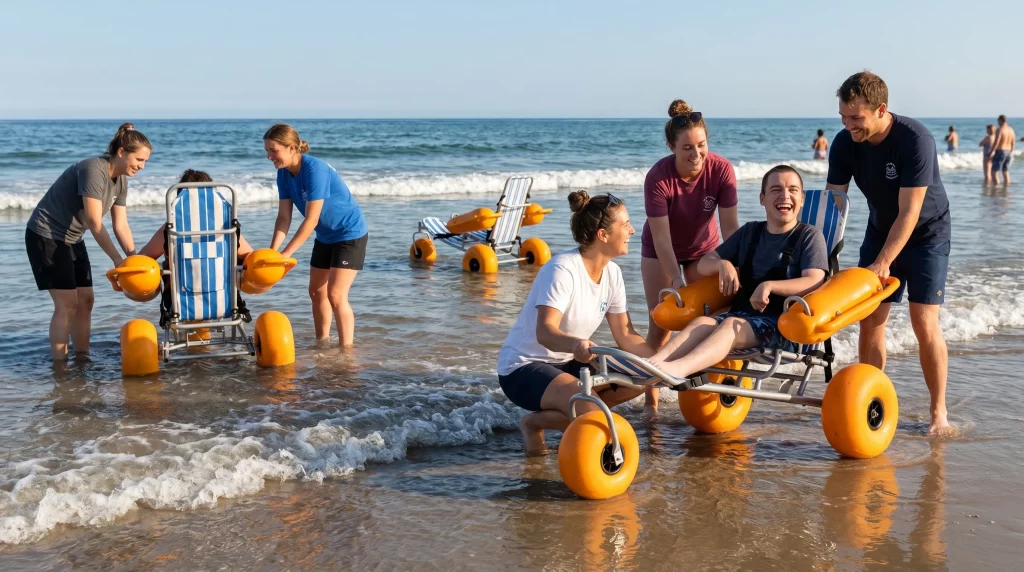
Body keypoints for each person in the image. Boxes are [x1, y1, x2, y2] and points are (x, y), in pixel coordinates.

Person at [824, 71, 954, 435]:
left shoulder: (915, 140)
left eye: (856, 118)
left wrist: (883, 262)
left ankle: (938, 412)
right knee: (870, 318)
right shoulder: (845, 143)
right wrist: (819, 257)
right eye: (843, 117)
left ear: (881, 110)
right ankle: (869, 400)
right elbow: (834, 203)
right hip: (880, 229)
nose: (848, 125)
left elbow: (910, 212)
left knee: (923, 322)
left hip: (927, 234)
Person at [497, 190, 655, 455]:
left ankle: (537, 422)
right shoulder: (562, 269)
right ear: (603, 235)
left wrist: (664, 363)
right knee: (593, 411)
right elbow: (545, 332)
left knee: (639, 379)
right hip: (523, 368)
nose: (632, 230)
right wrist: (576, 344)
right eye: (626, 224)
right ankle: (547, 422)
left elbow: (626, 334)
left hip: (568, 363)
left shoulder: (613, 273)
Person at [647, 166, 828, 378]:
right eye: (776, 189)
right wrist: (723, 264)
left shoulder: (810, 237)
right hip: (742, 315)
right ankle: (653, 365)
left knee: (730, 325)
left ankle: (678, 370)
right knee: (701, 323)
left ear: (802, 199)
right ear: (762, 199)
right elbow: (704, 263)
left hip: (784, 325)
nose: (785, 195)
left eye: (793, 190)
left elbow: (815, 280)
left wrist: (770, 286)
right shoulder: (750, 232)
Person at [640, 99, 739, 417]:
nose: (696, 154)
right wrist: (676, 280)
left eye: (701, 145)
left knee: (710, 319)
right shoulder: (658, 177)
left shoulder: (721, 170)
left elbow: (731, 229)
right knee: (661, 324)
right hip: (659, 252)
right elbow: (662, 239)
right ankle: (651, 403)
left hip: (703, 252)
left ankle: (709, 391)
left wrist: (736, 267)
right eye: (687, 148)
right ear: (672, 147)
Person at [25, 123, 150, 361]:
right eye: (139, 160)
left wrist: (133, 258)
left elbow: (121, 225)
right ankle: (60, 367)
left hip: (72, 238)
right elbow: (94, 222)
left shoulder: (121, 180)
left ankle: (82, 359)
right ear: (121, 152)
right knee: (67, 304)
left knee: (86, 300)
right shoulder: (93, 169)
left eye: (145, 162)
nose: (142, 166)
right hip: (46, 235)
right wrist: (117, 260)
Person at [264, 124, 368, 347]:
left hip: (349, 232)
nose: (269, 156)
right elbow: (284, 218)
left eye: (273, 151)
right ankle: (322, 343)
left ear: (292, 148)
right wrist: (273, 253)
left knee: (336, 295)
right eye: (267, 151)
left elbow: (311, 220)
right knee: (316, 291)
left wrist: (285, 255)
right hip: (325, 236)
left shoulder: (315, 169)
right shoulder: (283, 174)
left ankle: (346, 351)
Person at [138, 169, 254, 260]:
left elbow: (143, 257)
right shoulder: (225, 226)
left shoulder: (172, 227)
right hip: (222, 284)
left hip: (179, 284)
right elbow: (250, 256)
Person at [989, 115, 1015, 186]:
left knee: (994, 172)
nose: (997, 122)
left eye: (998, 120)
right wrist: (1010, 152)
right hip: (1008, 151)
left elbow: (996, 142)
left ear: (1001, 120)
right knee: (1005, 171)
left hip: (1001, 151)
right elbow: (1013, 143)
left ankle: (996, 188)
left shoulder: (1000, 130)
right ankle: (1006, 187)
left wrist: (991, 152)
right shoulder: (1011, 130)